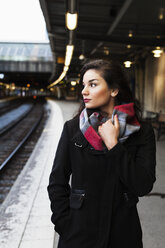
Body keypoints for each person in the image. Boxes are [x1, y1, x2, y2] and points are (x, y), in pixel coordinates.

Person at [47, 59, 156, 248]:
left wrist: (114, 145)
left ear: (114, 90)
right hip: (78, 234)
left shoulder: (141, 132)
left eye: (93, 84)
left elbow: (143, 185)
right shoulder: (73, 129)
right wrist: (64, 224)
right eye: (84, 85)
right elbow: (57, 181)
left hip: (123, 235)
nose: (84, 91)